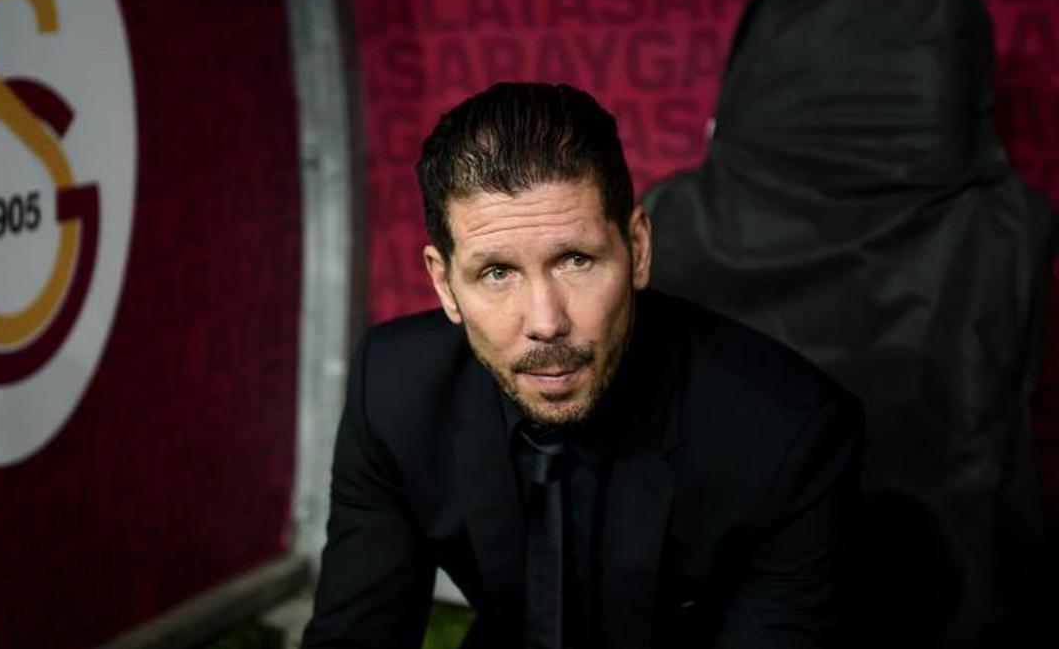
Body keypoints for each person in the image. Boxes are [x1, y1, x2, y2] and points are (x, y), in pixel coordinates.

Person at [302, 82, 864, 649]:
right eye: (497, 273)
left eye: (576, 260)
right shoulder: (395, 392)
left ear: (637, 249)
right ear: (445, 284)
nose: (546, 322)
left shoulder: (786, 432)